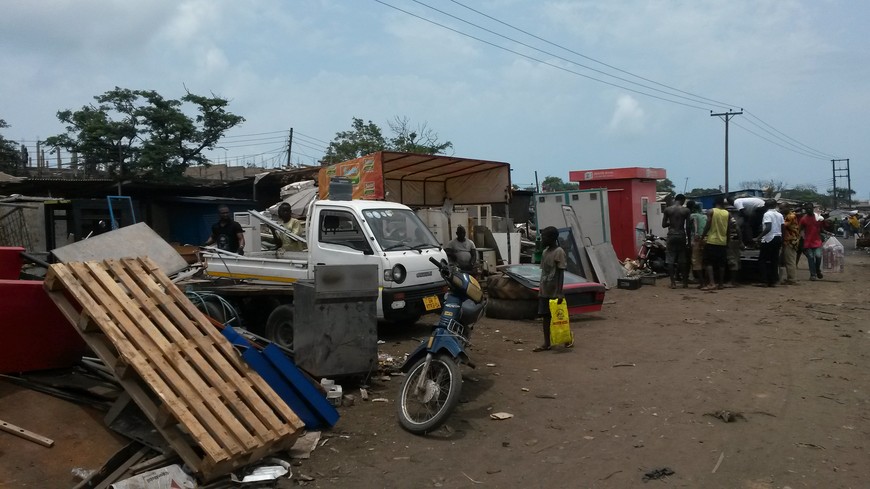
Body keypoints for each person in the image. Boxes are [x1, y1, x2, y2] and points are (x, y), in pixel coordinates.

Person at [533, 226, 569, 352]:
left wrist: (559, 292)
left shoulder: (558, 252)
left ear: (551, 238)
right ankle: (547, 343)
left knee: (559, 317)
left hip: (554, 291)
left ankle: (567, 338)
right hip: (545, 289)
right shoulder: (545, 252)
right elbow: (544, 273)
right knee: (545, 317)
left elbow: (560, 273)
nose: (542, 240)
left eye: (544, 237)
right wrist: (541, 289)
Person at [700, 196, 731, 291]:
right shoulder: (727, 213)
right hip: (722, 241)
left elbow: (708, 225)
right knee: (721, 264)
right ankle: (721, 284)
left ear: (715, 203)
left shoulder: (711, 211)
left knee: (709, 262)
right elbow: (729, 229)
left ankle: (712, 283)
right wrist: (727, 241)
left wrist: (702, 236)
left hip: (712, 240)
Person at [661, 193, 691, 289]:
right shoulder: (686, 210)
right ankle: (685, 283)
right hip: (681, 234)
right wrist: (689, 241)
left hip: (671, 235)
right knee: (682, 260)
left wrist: (671, 223)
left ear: (675, 199)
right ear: (682, 200)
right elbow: (688, 227)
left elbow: (663, 224)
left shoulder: (668, 210)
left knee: (670, 259)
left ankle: (673, 283)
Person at [755, 199, 784, 287]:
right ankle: (773, 280)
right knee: (774, 260)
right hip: (778, 237)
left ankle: (764, 280)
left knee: (762, 260)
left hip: (769, 238)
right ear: (775, 205)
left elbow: (768, 227)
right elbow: (783, 227)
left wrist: (758, 237)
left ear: (766, 206)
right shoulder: (780, 215)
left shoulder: (767, 214)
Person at [799, 204, 824, 280]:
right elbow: (800, 229)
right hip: (808, 242)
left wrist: (827, 232)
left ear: (812, 208)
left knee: (818, 257)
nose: (809, 210)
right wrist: (802, 237)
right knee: (810, 258)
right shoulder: (803, 219)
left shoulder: (818, 217)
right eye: (807, 209)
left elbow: (821, 228)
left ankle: (817, 270)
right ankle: (813, 275)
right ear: (805, 210)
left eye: (810, 208)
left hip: (817, 241)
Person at [687, 200, 707, 287]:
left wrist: (695, 234)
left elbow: (694, 223)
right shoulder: (705, 216)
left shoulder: (692, 215)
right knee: (705, 260)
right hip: (706, 239)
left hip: (697, 239)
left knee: (696, 261)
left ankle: (702, 282)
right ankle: (707, 281)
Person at [780, 203, 800, 285]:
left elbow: (783, 225)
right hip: (791, 240)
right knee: (789, 260)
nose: (780, 210)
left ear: (787, 208)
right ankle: (790, 278)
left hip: (791, 241)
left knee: (790, 260)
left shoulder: (790, 216)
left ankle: (792, 279)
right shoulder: (790, 215)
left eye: (782, 208)